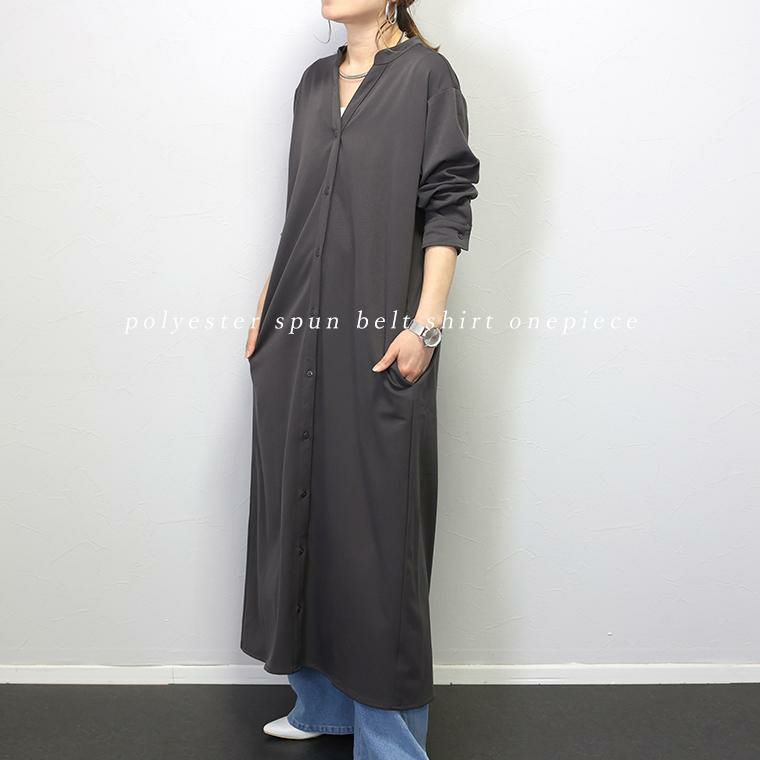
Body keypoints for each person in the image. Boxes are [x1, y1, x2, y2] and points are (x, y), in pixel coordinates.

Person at [240, 1, 480, 757]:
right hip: (294, 332)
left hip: (380, 338)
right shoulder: (314, 83)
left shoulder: (428, 77)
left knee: (378, 534)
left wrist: (426, 325)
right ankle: (320, 706)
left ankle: (389, 737)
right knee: (303, 516)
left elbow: (448, 204)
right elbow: (300, 208)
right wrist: (265, 310)